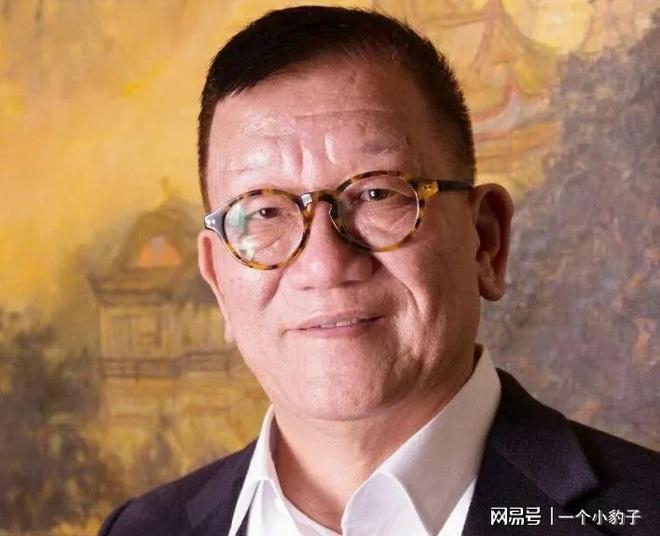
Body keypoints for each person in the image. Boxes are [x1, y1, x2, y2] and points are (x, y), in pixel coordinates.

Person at [99, 6, 658, 535]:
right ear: (219, 280)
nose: (325, 263)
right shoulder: (143, 529)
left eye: (376, 194)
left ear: (485, 241)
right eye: (265, 212)